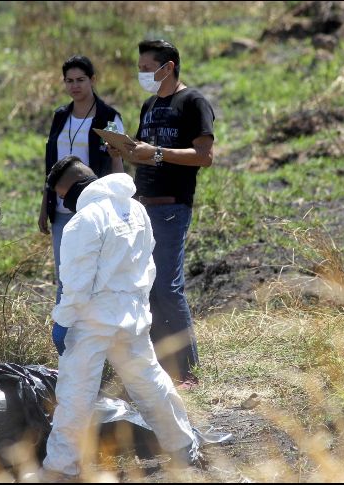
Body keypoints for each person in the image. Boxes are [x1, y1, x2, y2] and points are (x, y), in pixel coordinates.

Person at [40, 156, 204, 480]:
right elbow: (148, 266)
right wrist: (140, 308)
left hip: (91, 320)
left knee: (75, 395)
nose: (63, 202)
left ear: (75, 187)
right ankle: (183, 447)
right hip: (132, 317)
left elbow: (76, 282)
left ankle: (61, 469)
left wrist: (63, 320)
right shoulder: (137, 210)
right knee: (151, 383)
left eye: (63, 195)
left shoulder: (83, 221)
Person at [123, 39, 215, 389]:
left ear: (169, 67)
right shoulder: (149, 104)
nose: (142, 74)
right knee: (148, 286)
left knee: (168, 287)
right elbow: (144, 153)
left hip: (172, 206)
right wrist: (127, 149)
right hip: (143, 205)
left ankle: (188, 369)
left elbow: (204, 156)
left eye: (147, 68)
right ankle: (162, 365)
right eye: (141, 68)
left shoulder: (193, 102)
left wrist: (156, 152)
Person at [38, 55, 124, 306]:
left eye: (81, 80)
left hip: (93, 209)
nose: (75, 86)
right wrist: (45, 206)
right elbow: (50, 165)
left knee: (93, 274)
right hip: (62, 210)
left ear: (92, 80)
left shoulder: (108, 117)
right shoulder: (60, 116)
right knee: (65, 275)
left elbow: (119, 161)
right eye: (69, 81)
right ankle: (64, 332)